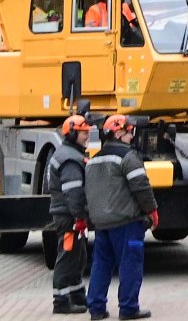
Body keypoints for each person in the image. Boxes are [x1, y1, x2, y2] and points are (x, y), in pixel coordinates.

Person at [84, 113, 156, 320]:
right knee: (130, 263)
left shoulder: (93, 160)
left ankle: (96, 309)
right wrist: (152, 210)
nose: (132, 136)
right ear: (118, 132)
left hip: (101, 223)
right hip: (126, 222)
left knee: (101, 264)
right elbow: (141, 187)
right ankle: (128, 307)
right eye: (129, 132)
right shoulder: (128, 157)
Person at [47, 114, 92, 315]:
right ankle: (61, 301)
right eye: (83, 133)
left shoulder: (70, 154)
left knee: (77, 256)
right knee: (67, 257)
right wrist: (80, 217)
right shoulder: (70, 159)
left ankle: (76, 295)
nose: (87, 136)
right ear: (72, 133)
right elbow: (73, 193)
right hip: (69, 216)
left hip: (69, 215)